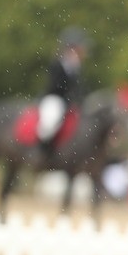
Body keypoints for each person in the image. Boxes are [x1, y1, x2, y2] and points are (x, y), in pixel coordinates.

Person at [36, 27, 89, 157]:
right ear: (70, 48)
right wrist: (68, 98)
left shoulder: (75, 66)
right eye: (79, 48)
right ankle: (42, 150)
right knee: (52, 119)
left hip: (68, 102)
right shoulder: (58, 64)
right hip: (54, 99)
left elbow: (78, 88)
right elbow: (55, 86)